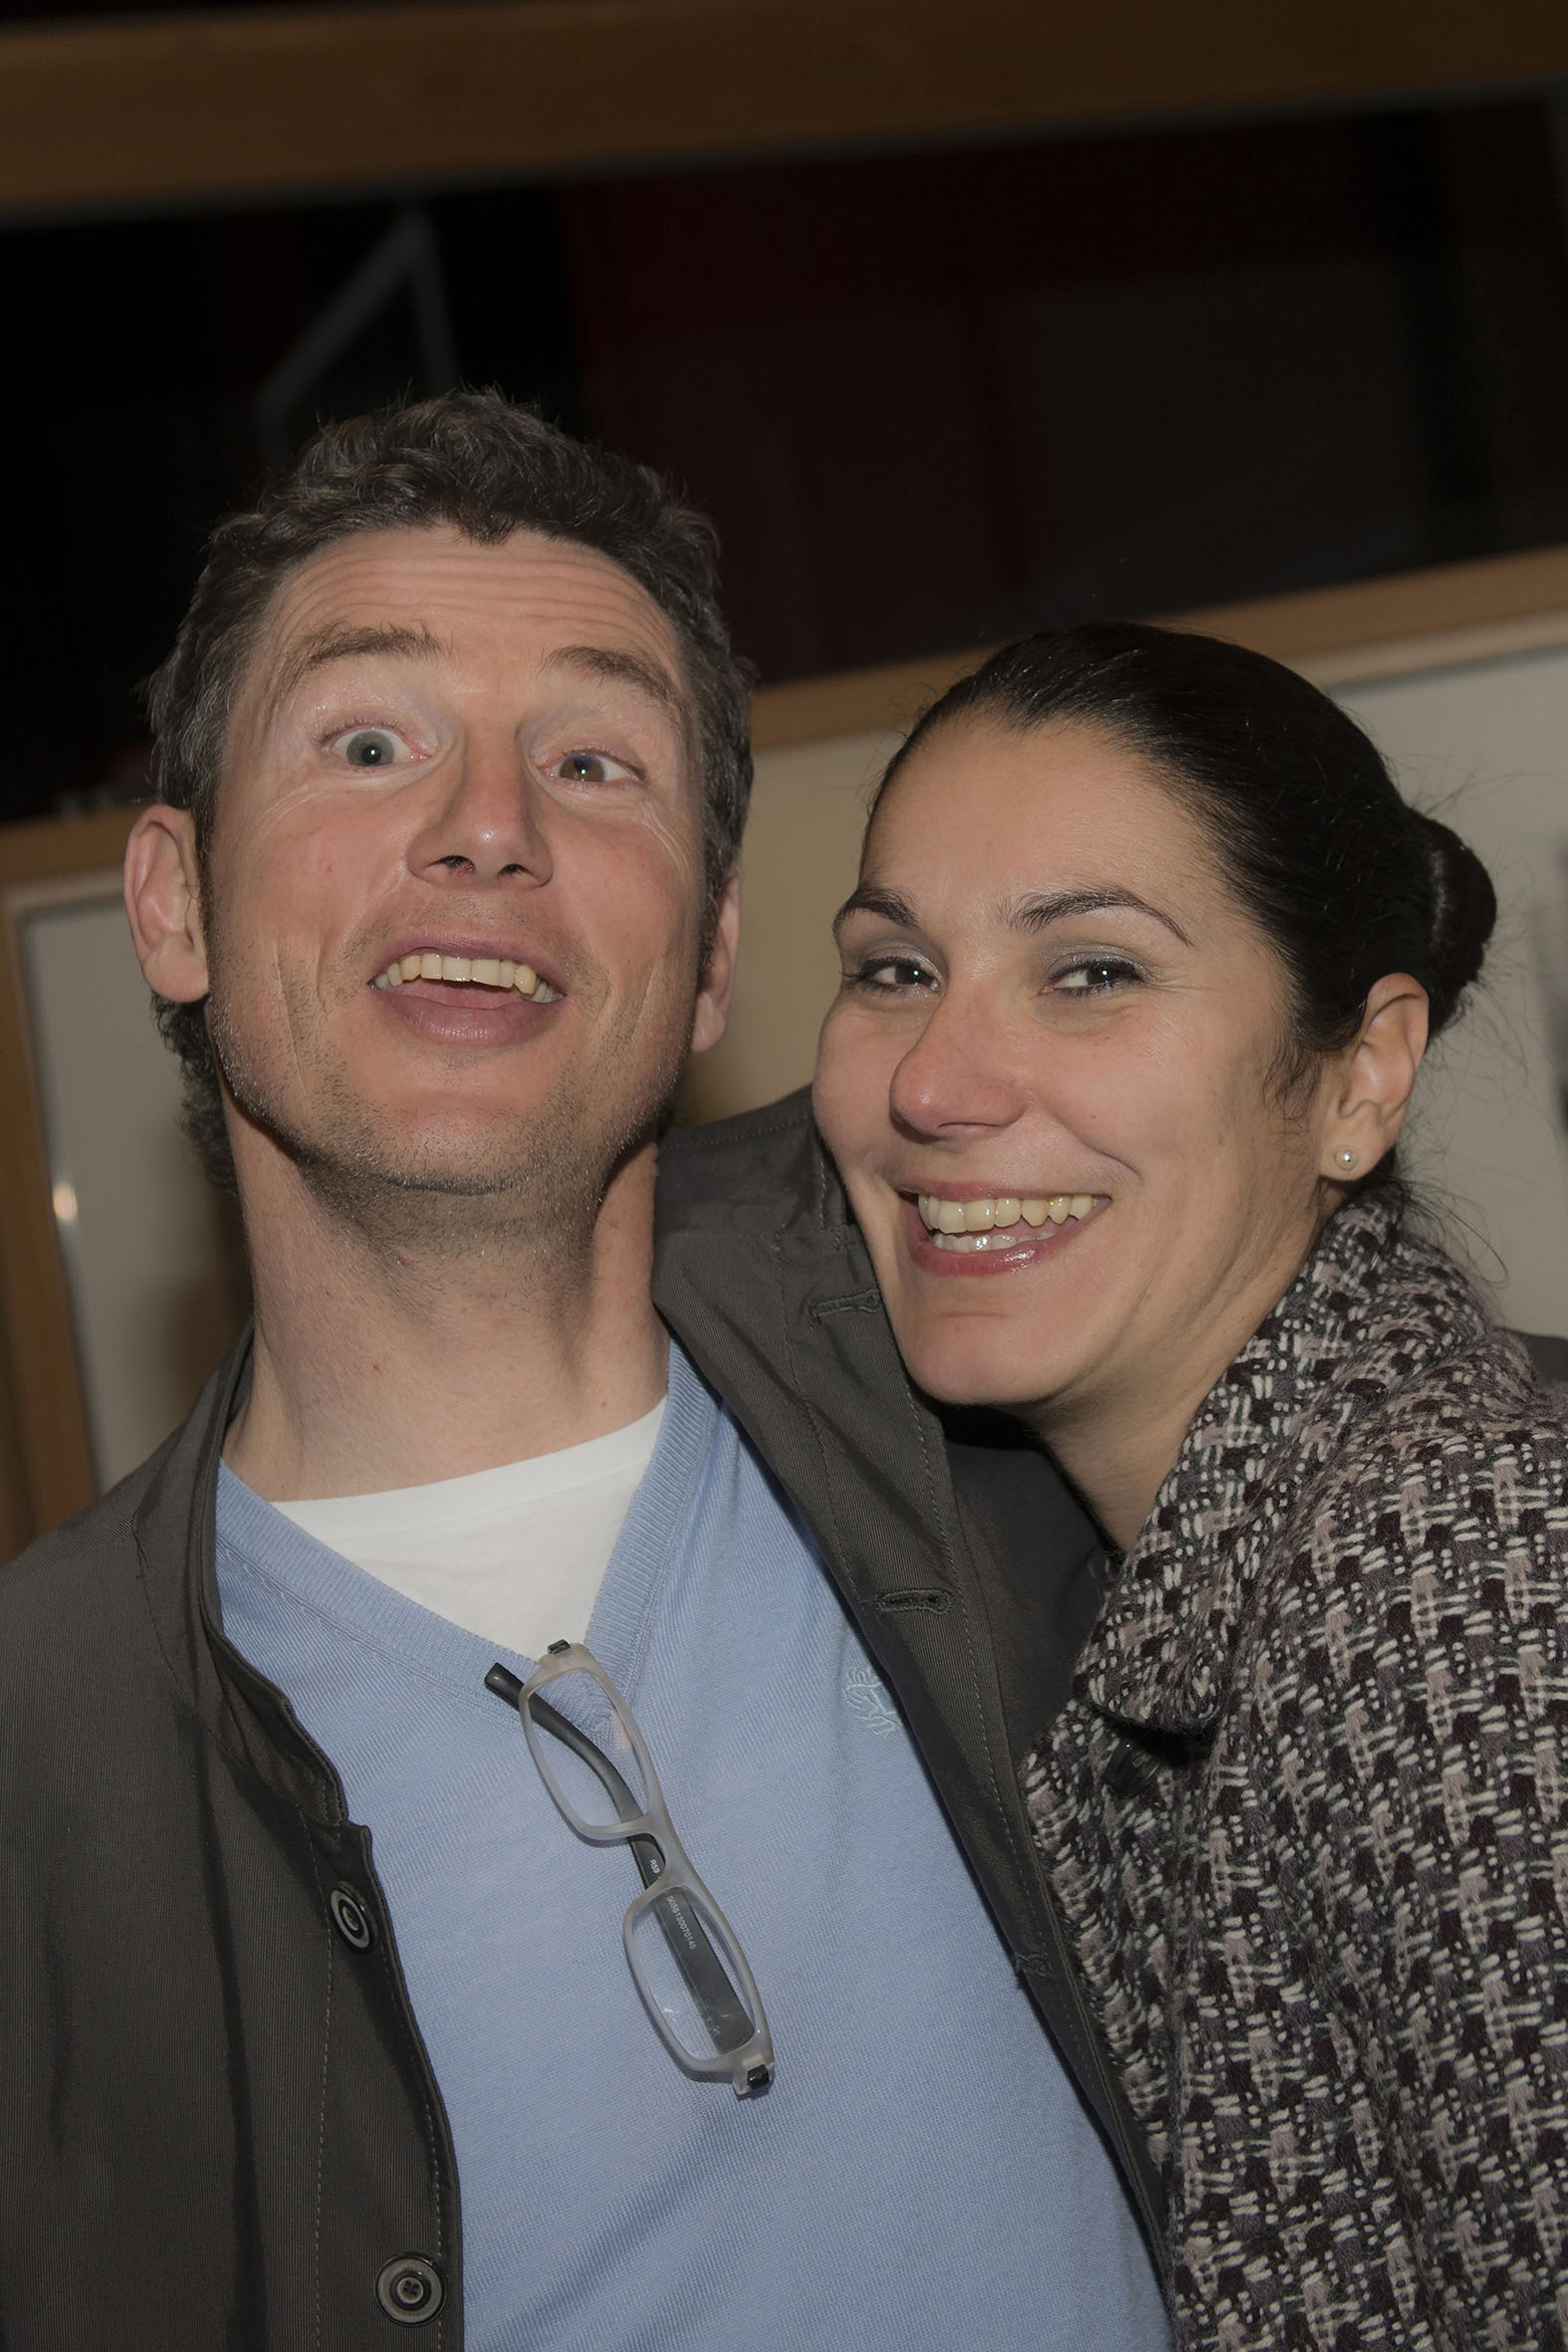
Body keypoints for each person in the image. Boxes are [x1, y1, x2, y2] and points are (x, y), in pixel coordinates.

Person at [0, 398, 1169, 2350]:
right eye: (367, 742)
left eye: (592, 760)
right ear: (174, 903)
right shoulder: (42, 1762)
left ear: (707, 958)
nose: (488, 822)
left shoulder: (1018, 1382)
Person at [807, 620, 1568, 2349]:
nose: (932, 1081)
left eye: (1090, 971)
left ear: (1360, 1075)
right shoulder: (1202, 1557)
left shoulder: (1453, 1564)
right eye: (894, 967)